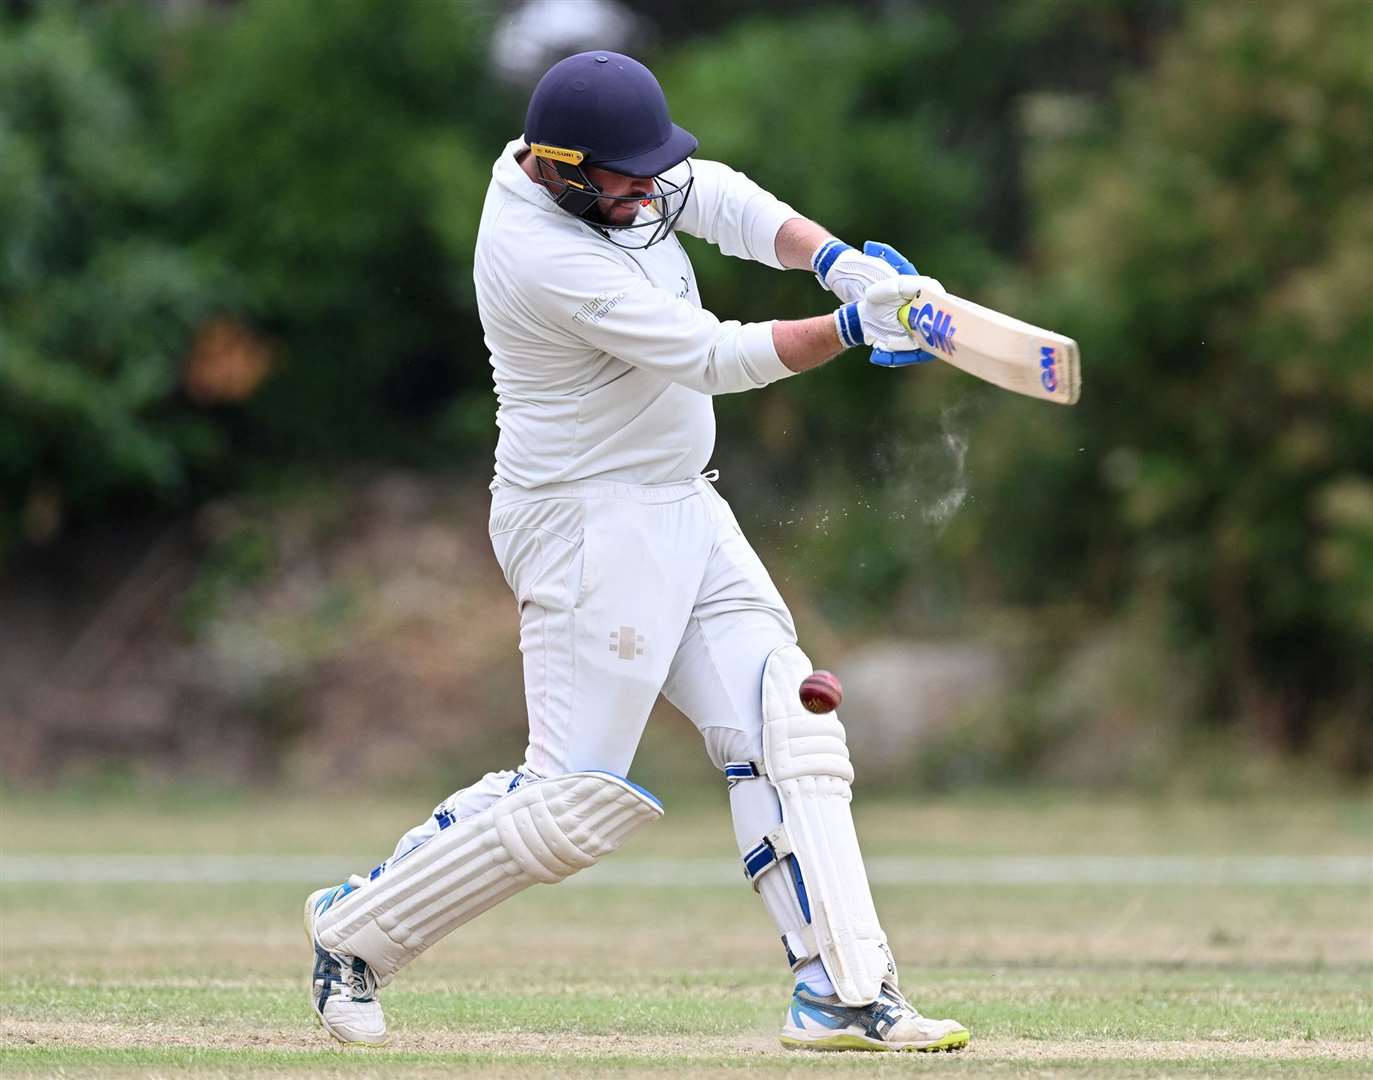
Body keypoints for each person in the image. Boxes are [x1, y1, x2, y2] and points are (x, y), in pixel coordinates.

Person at [304, 49, 968, 1054]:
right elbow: (709, 355)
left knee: (784, 721)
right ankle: (352, 933)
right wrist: (844, 327)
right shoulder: (541, 256)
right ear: (561, 170)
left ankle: (842, 990)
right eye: (623, 179)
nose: (646, 192)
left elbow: (725, 200)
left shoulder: (608, 174)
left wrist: (839, 261)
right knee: (573, 802)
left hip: (678, 504)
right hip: (583, 526)